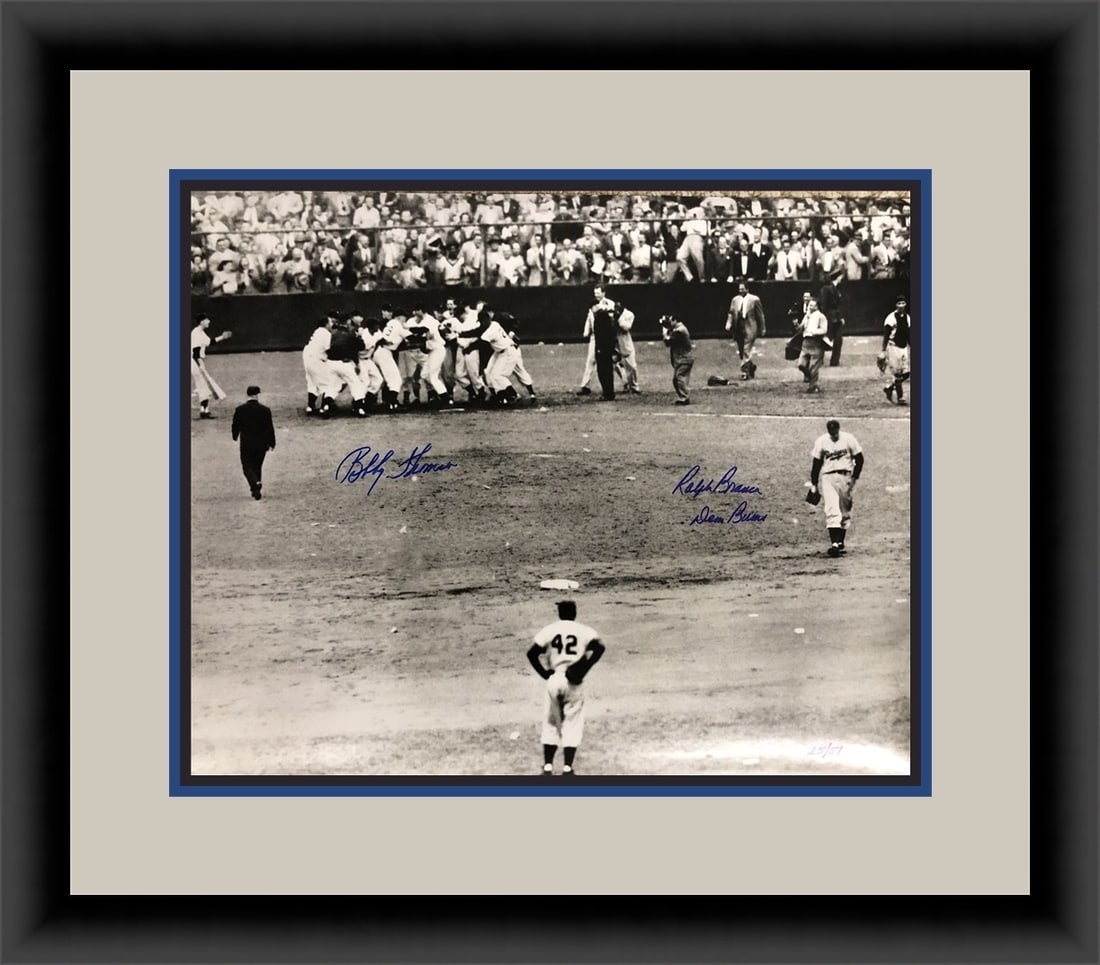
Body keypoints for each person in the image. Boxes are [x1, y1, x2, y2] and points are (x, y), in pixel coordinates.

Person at [525, 599, 606, 777]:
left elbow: (531, 653)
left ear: (560, 613)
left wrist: (545, 674)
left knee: (551, 722)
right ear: (574, 613)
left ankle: (547, 766)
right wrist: (584, 667)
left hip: (554, 679)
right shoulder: (584, 630)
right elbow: (599, 648)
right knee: (573, 722)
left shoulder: (550, 629)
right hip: (574, 681)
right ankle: (568, 768)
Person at [807, 419, 864, 557]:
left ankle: (840, 542)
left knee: (845, 510)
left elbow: (860, 459)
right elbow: (817, 463)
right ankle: (834, 543)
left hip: (846, 477)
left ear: (838, 429)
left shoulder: (848, 439)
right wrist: (814, 484)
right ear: (828, 431)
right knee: (832, 509)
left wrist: (854, 479)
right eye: (831, 432)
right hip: (828, 477)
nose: (833, 434)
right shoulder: (822, 441)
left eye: (835, 431)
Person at [231, 386, 276, 500]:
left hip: (247, 443)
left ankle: (255, 483)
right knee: (257, 465)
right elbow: (269, 427)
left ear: (247, 395)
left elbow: (235, 425)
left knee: (247, 466)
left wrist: (235, 435)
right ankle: (256, 488)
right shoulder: (265, 410)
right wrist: (272, 442)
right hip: (261, 443)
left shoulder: (240, 409)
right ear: (257, 395)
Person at [190, 314, 232, 419]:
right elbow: (195, 351)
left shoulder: (200, 332)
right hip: (194, 361)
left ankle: (204, 410)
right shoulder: (196, 333)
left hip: (195, 360)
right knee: (203, 385)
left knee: (203, 385)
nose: (209, 321)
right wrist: (201, 364)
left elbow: (209, 342)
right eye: (207, 319)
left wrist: (222, 337)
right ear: (201, 321)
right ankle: (204, 411)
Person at [724, 282, 767, 380]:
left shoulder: (755, 299)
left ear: (747, 289)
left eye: (742, 289)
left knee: (746, 348)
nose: (741, 291)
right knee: (741, 350)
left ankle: (745, 372)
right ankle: (751, 367)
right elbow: (731, 312)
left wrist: (763, 328)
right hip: (738, 327)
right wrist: (729, 323)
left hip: (750, 326)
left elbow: (760, 315)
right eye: (739, 289)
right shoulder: (734, 300)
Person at [878, 294, 912, 406]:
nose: (901, 306)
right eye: (899, 303)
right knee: (897, 373)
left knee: (906, 373)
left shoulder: (907, 317)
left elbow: (908, 334)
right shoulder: (891, 318)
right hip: (893, 347)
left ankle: (889, 388)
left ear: (906, 304)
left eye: (903, 303)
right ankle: (900, 397)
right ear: (895, 305)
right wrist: (883, 350)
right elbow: (886, 335)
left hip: (903, 347)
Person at [660, 313, 694, 405]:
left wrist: (664, 332)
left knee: (679, 377)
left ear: (675, 320)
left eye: (671, 320)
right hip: (683, 358)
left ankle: (684, 398)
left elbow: (668, 342)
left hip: (684, 358)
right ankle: (683, 397)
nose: (670, 322)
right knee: (676, 379)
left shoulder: (679, 331)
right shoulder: (679, 329)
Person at [797, 296, 829, 394]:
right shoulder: (806, 316)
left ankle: (813, 386)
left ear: (817, 307)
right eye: (809, 305)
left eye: (812, 305)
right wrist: (796, 325)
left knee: (814, 367)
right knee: (801, 364)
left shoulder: (821, 316)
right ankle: (810, 379)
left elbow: (824, 330)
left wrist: (814, 332)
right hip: (806, 343)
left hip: (816, 343)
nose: (810, 307)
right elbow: (800, 328)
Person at [818, 267, 845, 367]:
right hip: (829, 317)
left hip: (835, 318)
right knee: (824, 339)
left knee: (838, 340)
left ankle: (834, 361)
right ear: (837, 277)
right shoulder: (827, 289)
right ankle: (820, 360)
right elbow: (824, 305)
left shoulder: (834, 288)